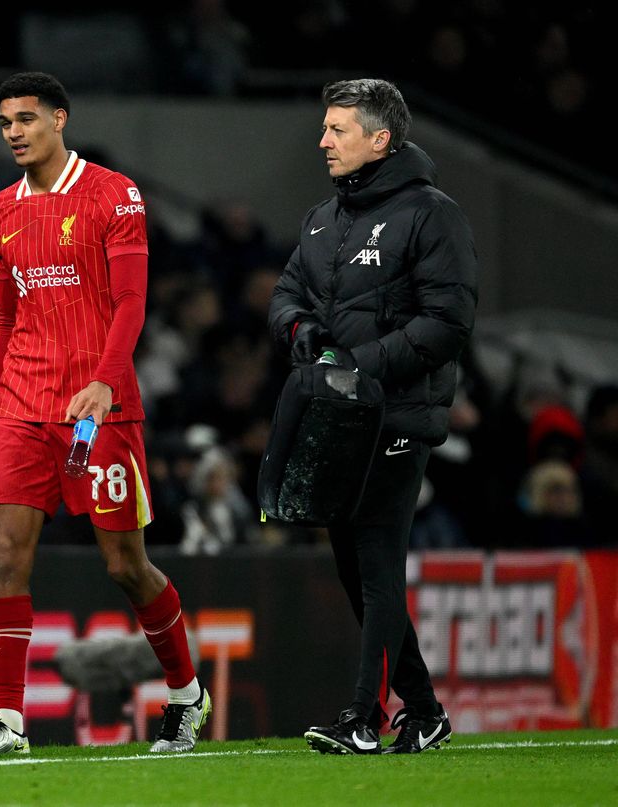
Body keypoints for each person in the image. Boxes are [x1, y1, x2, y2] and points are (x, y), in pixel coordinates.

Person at [0, 72, 210, 757]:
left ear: (59, 120)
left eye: (27, 118)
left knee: (125, 563)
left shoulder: (112, 194)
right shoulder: (1, 209)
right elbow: (7, 318)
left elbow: (131, 303)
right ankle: (7, 723)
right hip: (21, 407)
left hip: (100, 410)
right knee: (6, 556)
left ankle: (186, 693)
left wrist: (102, 382)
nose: (13, 130)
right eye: (5, 120)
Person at [268, 78, 477, 754]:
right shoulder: (324, 217)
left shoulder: (431, 214)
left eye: (338, 129)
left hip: (399, 414)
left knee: (379, 563)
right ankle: (424, 710)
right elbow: (288, 291)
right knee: (357, 571)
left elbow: (447, 323)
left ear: (379, 139)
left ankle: (362, 715)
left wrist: (360, 365)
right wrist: (298, 330)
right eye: (326, 129)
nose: (323, 140)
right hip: (340, 416)